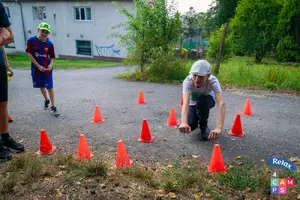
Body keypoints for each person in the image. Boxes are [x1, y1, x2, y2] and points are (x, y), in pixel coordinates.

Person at [0, 2, 25, 162]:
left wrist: (7, 65)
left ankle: (5, 138)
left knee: (2, 103)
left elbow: (10, 36)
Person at [178, 60, 226, 140]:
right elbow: (185, 101)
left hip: (207, 100)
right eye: (195, 75)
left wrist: (219, 127)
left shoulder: (213, 81)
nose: (197, 79)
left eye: (201, 76)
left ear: (208, 76)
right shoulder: (188, 81)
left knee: (201, 103)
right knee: (190, 125)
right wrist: (183, 122)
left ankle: (203, 126)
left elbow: (221, 103)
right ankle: (197, 117)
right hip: (193, 103)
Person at [26, 22, 59, 117]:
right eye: (42, 31)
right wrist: (38, 66)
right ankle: (46, 100)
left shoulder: (49, 44)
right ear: (38, 30)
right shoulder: (31, 41)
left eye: (47, 32)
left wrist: (51, 65)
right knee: (41, 85)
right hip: (36, 68)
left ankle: (53, 106)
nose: (44, 34)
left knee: (50, 87)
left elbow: (52, 57)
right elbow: (29, 54)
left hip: (47, 69)